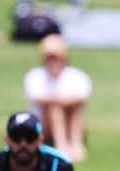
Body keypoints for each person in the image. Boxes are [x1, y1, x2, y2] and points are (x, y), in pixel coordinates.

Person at [24, 34, 92, 162]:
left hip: (70, 120)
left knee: (74, 109)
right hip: (44, 123)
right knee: (54, 109)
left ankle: (76, 145)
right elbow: (37, 99)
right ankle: (62, 146)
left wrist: (61, 102)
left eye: (55, 57)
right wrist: (58, 101)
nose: (52, 61)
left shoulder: (76, 76)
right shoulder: (35, 76)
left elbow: (82, 98)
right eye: (49, 57)